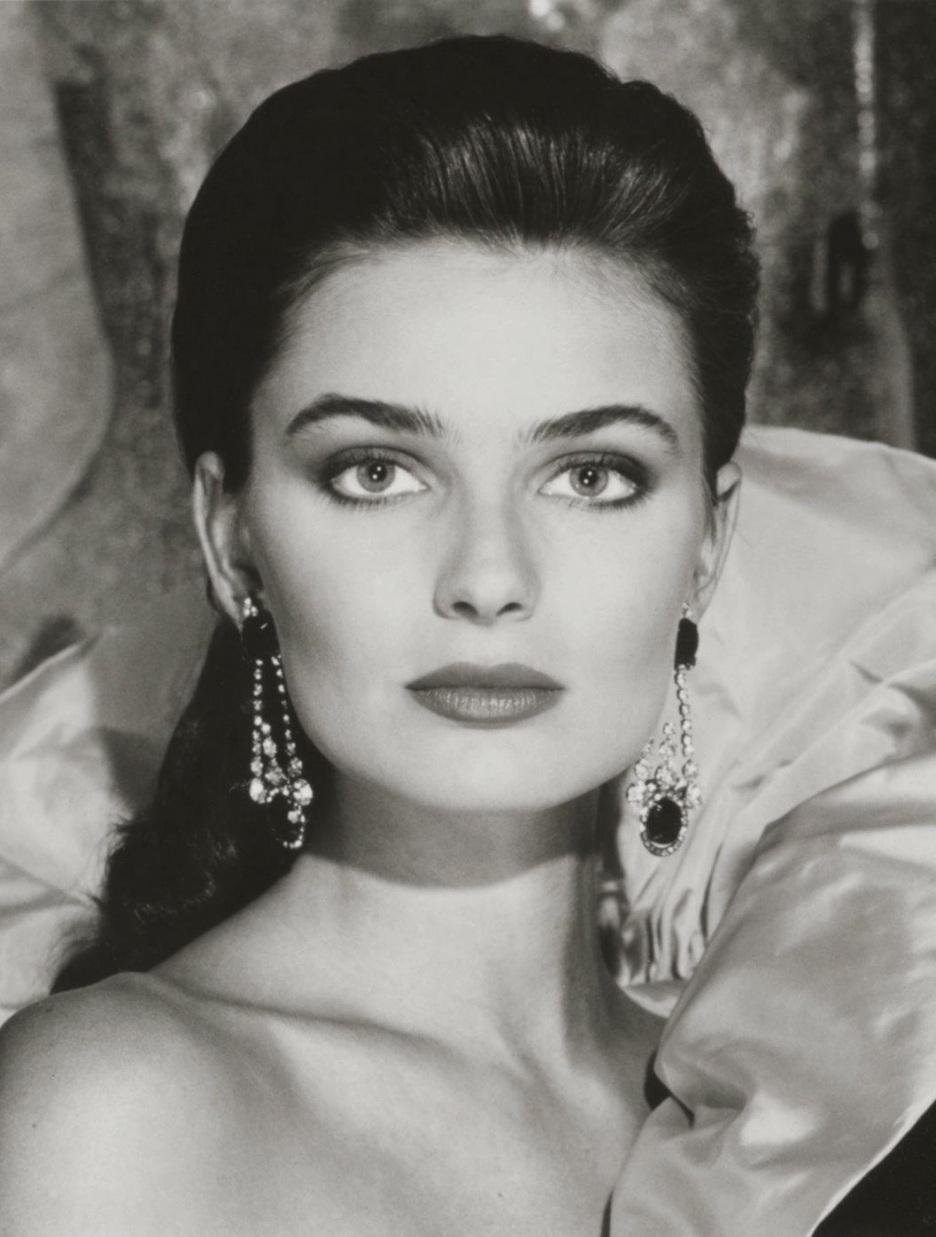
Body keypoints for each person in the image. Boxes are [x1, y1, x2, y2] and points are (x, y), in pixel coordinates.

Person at [0, 35, 933, 1236]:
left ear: (708, 542)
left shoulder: (776, 1121)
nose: (489, 579)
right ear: (233, 540)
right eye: (377, 471)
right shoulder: (114, 1112)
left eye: (592, 475)